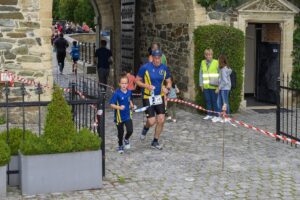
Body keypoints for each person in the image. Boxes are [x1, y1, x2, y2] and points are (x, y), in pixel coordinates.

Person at [135, 49, 171, 150]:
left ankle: (155, 141)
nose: (157, 60)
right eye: (155, 58)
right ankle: (146, 128)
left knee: (161, 119)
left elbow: (169, 81)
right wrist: (145, 85)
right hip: (148, 97)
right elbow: (137, 80)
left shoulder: (164, 68)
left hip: (159, 97)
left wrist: (167, 88)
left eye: (159, 58)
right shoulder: (145, 68)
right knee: (151, 121)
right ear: (152, 58)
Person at [109, 74, 134, 154]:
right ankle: (120, 145)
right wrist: (119, 107)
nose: (124, 85)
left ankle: (126, 139)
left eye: (125, 83)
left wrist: (131, 104)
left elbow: (129, 100)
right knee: (121, 132)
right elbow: (111, 104)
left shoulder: (129, 92)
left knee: (130, 130)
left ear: (128, 84)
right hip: (119, 117)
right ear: (119, 84)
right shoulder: (117, 93)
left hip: (127, 115)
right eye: (122, 83)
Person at [199, 48, 219, 121]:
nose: (209, 56)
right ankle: (209, 114)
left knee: (214, 101)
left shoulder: (216, 62)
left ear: (212, 55)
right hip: (206, 86)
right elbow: (200, 74)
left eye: (210, 54)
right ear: (205, 55)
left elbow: (220, 75)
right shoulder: (202, 62)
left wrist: (219, 87)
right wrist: (201, 84)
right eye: (207, 55)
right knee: (207, 100)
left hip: (214, 86)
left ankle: (217, 116)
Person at [215, 54, 232, 122]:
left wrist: (219, 88)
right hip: (223, 88)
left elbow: (225, 81)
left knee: (225, 103)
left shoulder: (223, 70)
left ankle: (227, 117)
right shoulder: (223, 69)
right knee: (219, 102)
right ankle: (220, 116)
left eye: (218, 59)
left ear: (221, 60)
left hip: (224, 88)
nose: (217, 61)